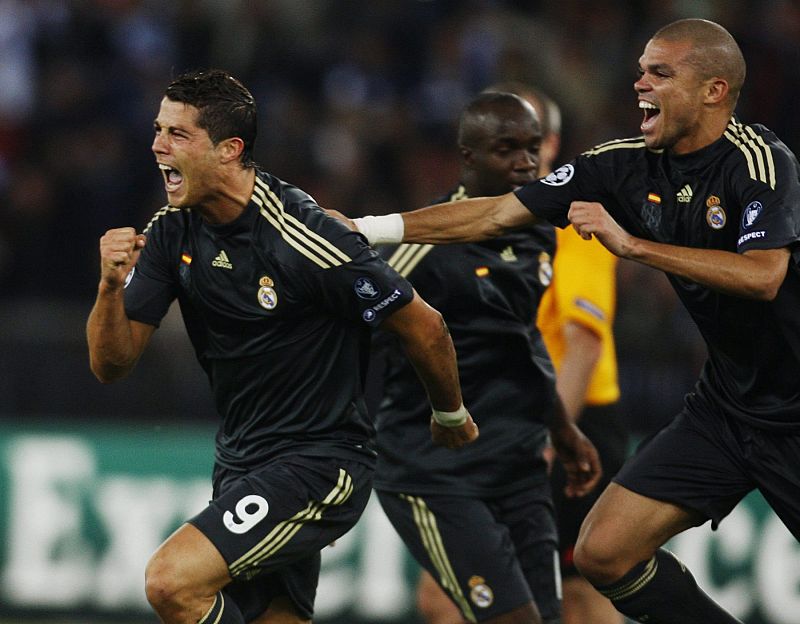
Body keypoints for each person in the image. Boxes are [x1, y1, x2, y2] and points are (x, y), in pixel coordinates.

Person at [348, 18, 800, 624]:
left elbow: (764, 275)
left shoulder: (762, 163)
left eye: (659, 73)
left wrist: (634, 247)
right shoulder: (620, 166)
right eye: (640, 67)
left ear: (713, 91)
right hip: (725, 408)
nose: (638, 82)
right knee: (603, 553)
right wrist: (368, 229)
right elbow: (495, 214)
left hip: (794, 411)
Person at [86, 69, 478, 624]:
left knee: (171, 583)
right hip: (242, 464)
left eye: (177, 134)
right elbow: (111, 364)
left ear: (229, 149)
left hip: (320, 462)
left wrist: (450, 412)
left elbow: (424, 326)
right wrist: (107, 288)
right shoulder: (172, 231)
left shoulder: (303, 235)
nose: (157, 146)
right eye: (157, 130)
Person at [372, 90, 602, 624]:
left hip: (519, 467)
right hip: (435, 474)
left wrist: (561, 429)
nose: (527, 162)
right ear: (468, 157)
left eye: (532, 147)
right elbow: (353, 339)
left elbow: (522, 339)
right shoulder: (420, 248)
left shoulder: (542, 229)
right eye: (507, 150)